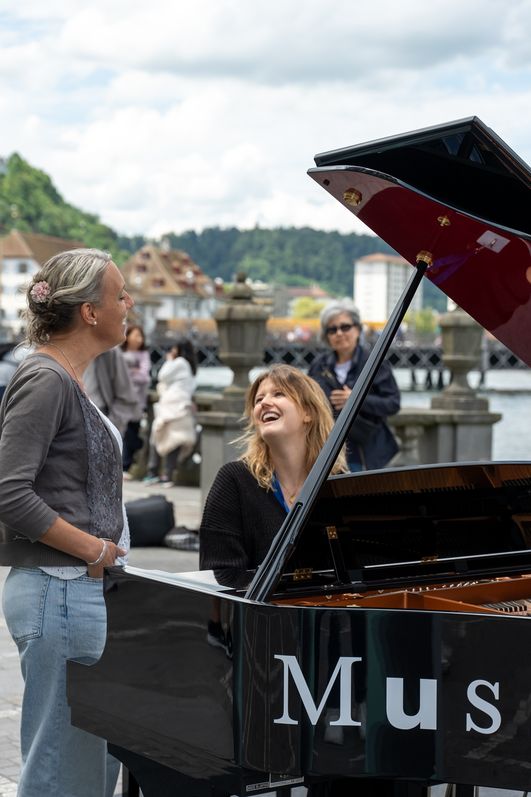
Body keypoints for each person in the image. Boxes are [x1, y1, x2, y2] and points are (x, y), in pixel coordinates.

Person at [0, 248, 132, 797]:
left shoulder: (65, 378)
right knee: (59, 768)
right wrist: (94, 551)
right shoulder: (48, 379)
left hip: (71, 591)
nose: (130, 304)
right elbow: (9, 491)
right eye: (120, 295)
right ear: (90, 312)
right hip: (60, 589)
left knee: (84, 766)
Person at [199, 364, 346, 590]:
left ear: (308, 412)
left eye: (278, 394)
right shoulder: (234, 480)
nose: (264, 403)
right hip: (260, 619)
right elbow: (221, 575)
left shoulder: (339, 483)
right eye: (258, 400)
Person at [308, 298, 400, 472]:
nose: (339, 333)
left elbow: (393, 403)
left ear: (358, 329)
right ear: (326, 336)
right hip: (327, 453)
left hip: (366, 451)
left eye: (345, 327)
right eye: (332, 329)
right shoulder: (319, 366)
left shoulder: (375, 362)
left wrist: (356, 400)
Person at [143, 338, 197, 486]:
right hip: (182, 407)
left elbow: (162, 375)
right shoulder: (191, 367)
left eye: (174, 349)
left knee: (158, 436)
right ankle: (167, 474)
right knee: (174, 441)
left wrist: (169, 360)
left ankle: (153, 472)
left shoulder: (179, 363)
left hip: (171, 406)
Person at [84, 344, 141, 438]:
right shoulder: (58, 348)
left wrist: (109, 428)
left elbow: (126, 397)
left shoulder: (109, 351)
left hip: (101, 418)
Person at [120, 324, 152, 473]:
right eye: (136, 335)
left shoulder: (144, 354)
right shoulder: (119, 353)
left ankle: (126, 464)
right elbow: (118, 376)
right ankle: (125, 463)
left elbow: (144, 377)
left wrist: (129, 373)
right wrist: (134, 372)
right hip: (121, 399)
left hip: (138, 401)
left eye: (141, 336)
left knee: (132, 431)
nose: (139, 339)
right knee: (123, 431)